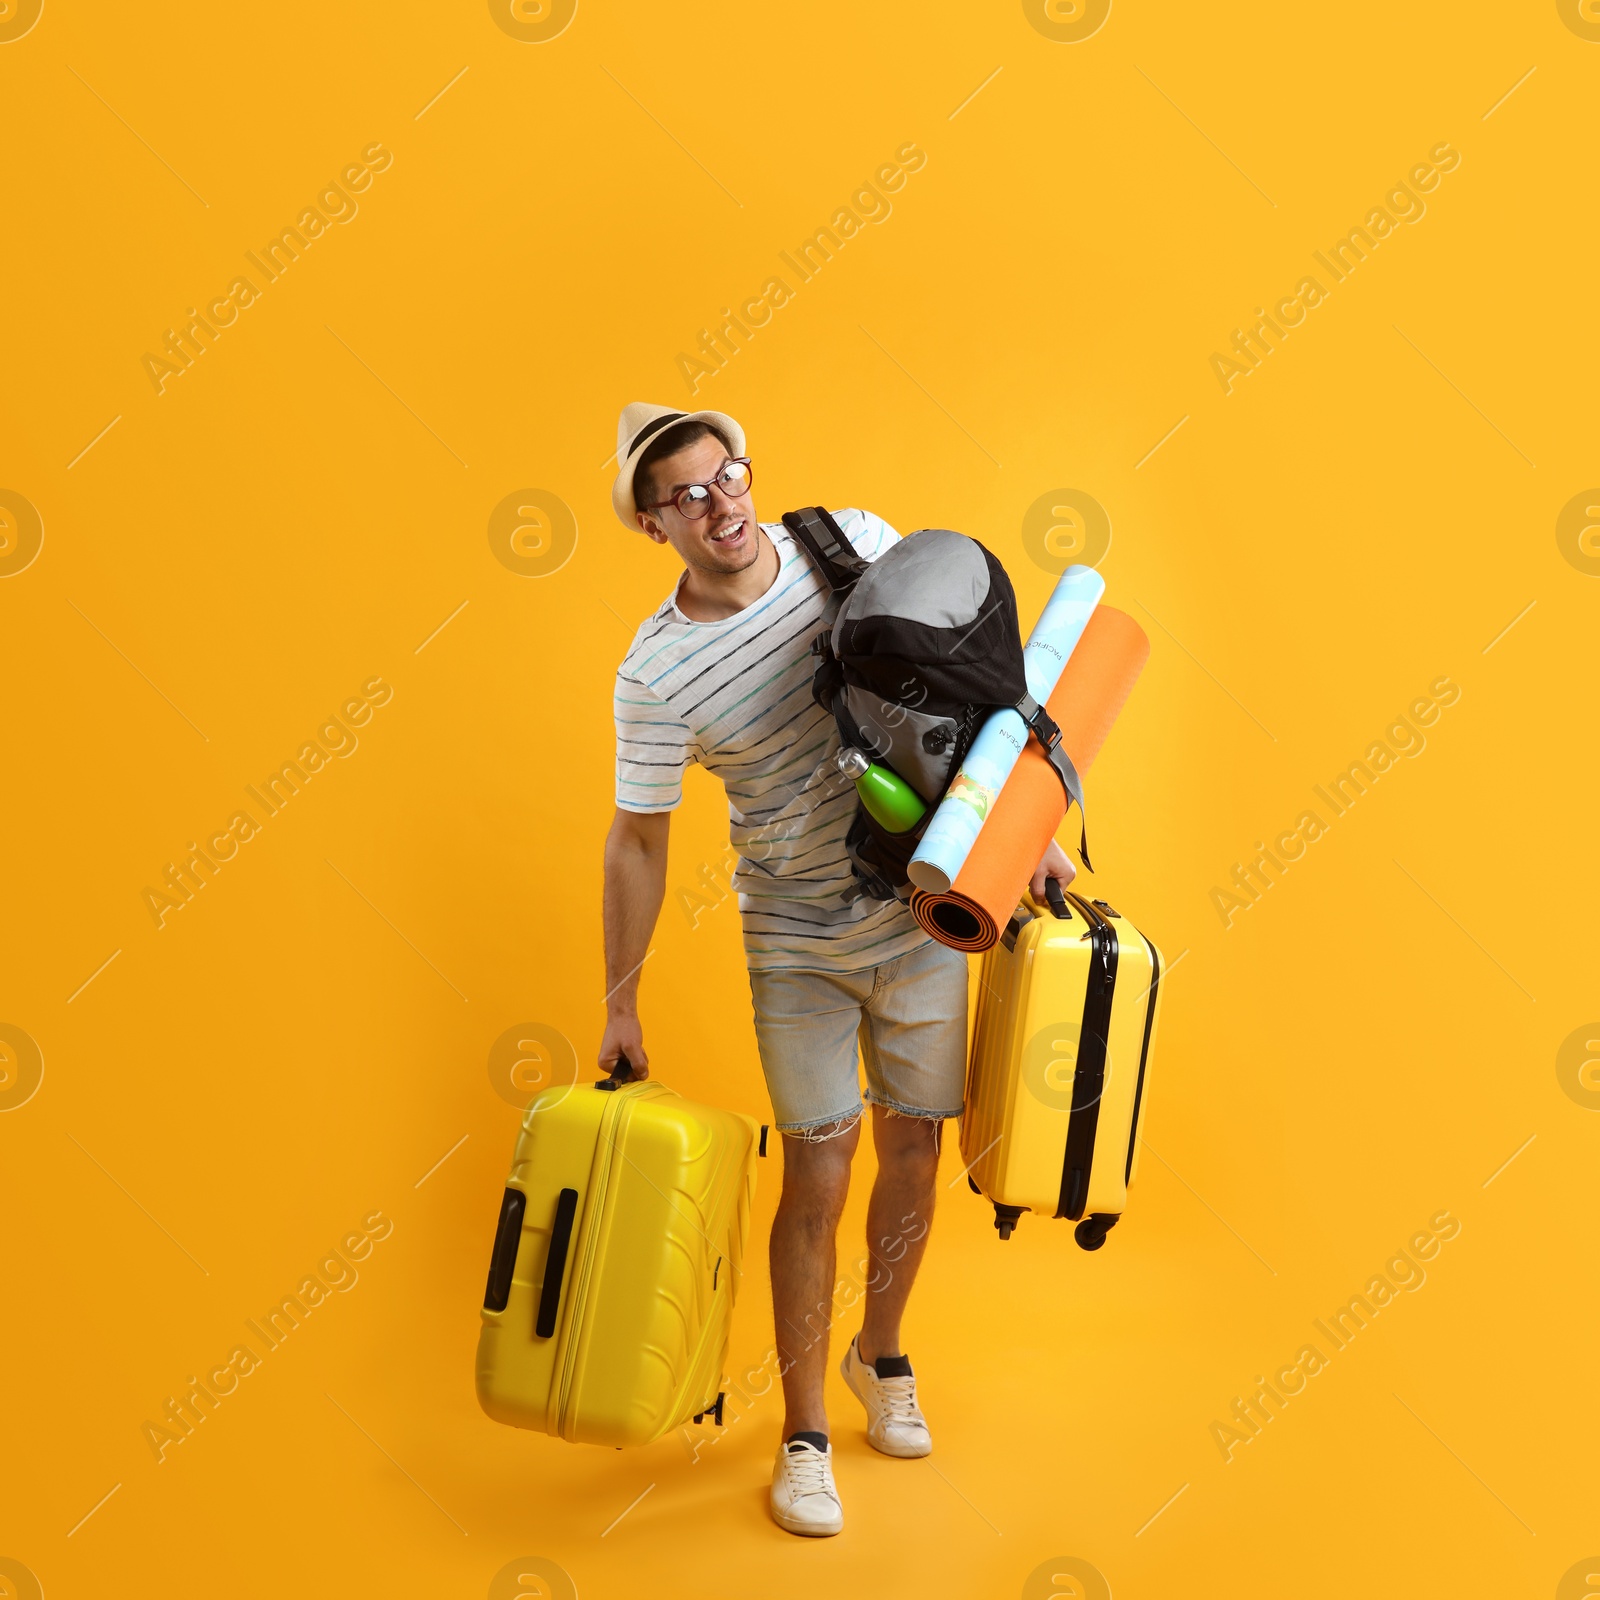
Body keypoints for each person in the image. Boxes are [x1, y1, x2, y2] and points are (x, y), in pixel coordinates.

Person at [599, 402, 1075, 1537]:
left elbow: (961, 691)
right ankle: (804, 1433)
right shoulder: (655, 672)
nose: (721, 503)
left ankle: (883, 1352)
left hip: (918, 913)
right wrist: (617, 995)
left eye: (729, 474)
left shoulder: (846, 546)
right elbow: (637, 838)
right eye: (688, 493)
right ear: (651, 522)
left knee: (917, 1147)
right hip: (796, 939)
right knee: (818, 1175)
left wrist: (1026, 829)